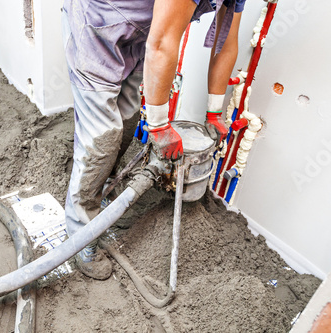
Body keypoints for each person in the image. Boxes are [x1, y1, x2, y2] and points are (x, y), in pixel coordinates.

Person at [62, 0, 246, 280]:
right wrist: (159, 127)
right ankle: (80, 238)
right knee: (101, 139)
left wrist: (215, 111)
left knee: (125, 122)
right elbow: (161, 44)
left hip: (138, 34)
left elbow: (225, 44)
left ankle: (99, 192)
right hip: (97, 25)